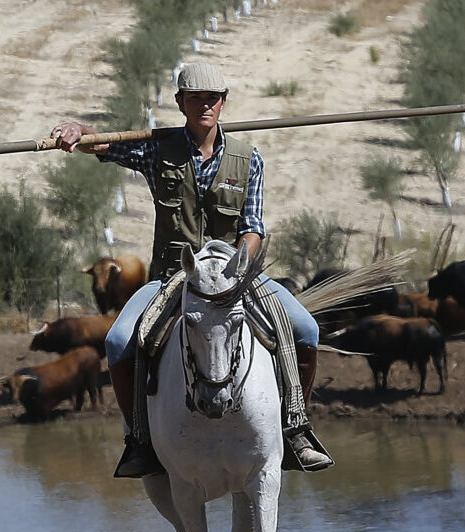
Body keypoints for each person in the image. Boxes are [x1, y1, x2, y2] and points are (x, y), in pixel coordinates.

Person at [52, 61, 331, 477]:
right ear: (181, 102)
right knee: (117, 342)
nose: (205, 105)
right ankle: (139, 440)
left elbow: (253, 227)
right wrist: (79, 130)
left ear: (223, 103)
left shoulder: (248, 159)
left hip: (235, 276)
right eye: (196, 98)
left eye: (213, 98)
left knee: (306, 329)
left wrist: (238, 264)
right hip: (172, 275)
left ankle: (296, 428)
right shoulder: (156, 149)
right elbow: (102, 145)